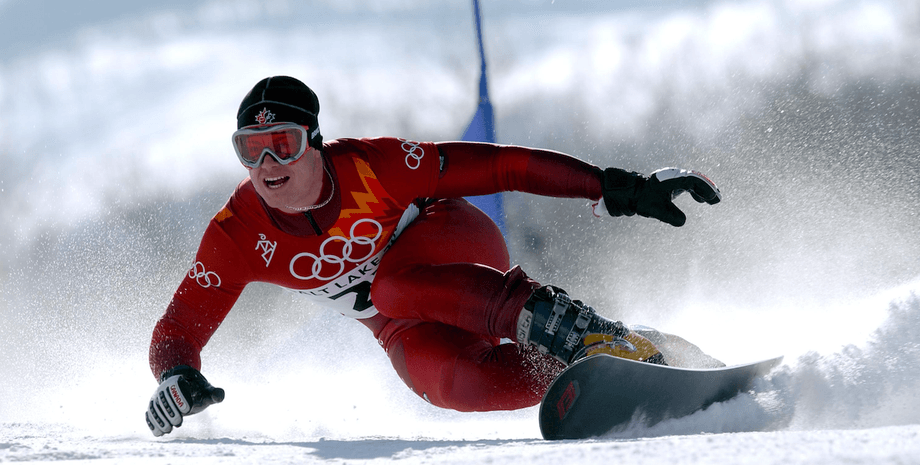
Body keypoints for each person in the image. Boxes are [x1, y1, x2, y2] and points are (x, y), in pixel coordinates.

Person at [144, 75, 723, 437]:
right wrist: (176, 374)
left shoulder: (376, 164)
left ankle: (583, 332)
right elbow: (180, 324)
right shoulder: (236, 233)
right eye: (251, 150)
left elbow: (502, 166)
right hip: (397, 319)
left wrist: (612, 186)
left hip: (455, 245)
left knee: (392, 284)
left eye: (283, 145)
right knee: (454, 385)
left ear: (315, 142)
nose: (268, 166)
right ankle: (599, 364)